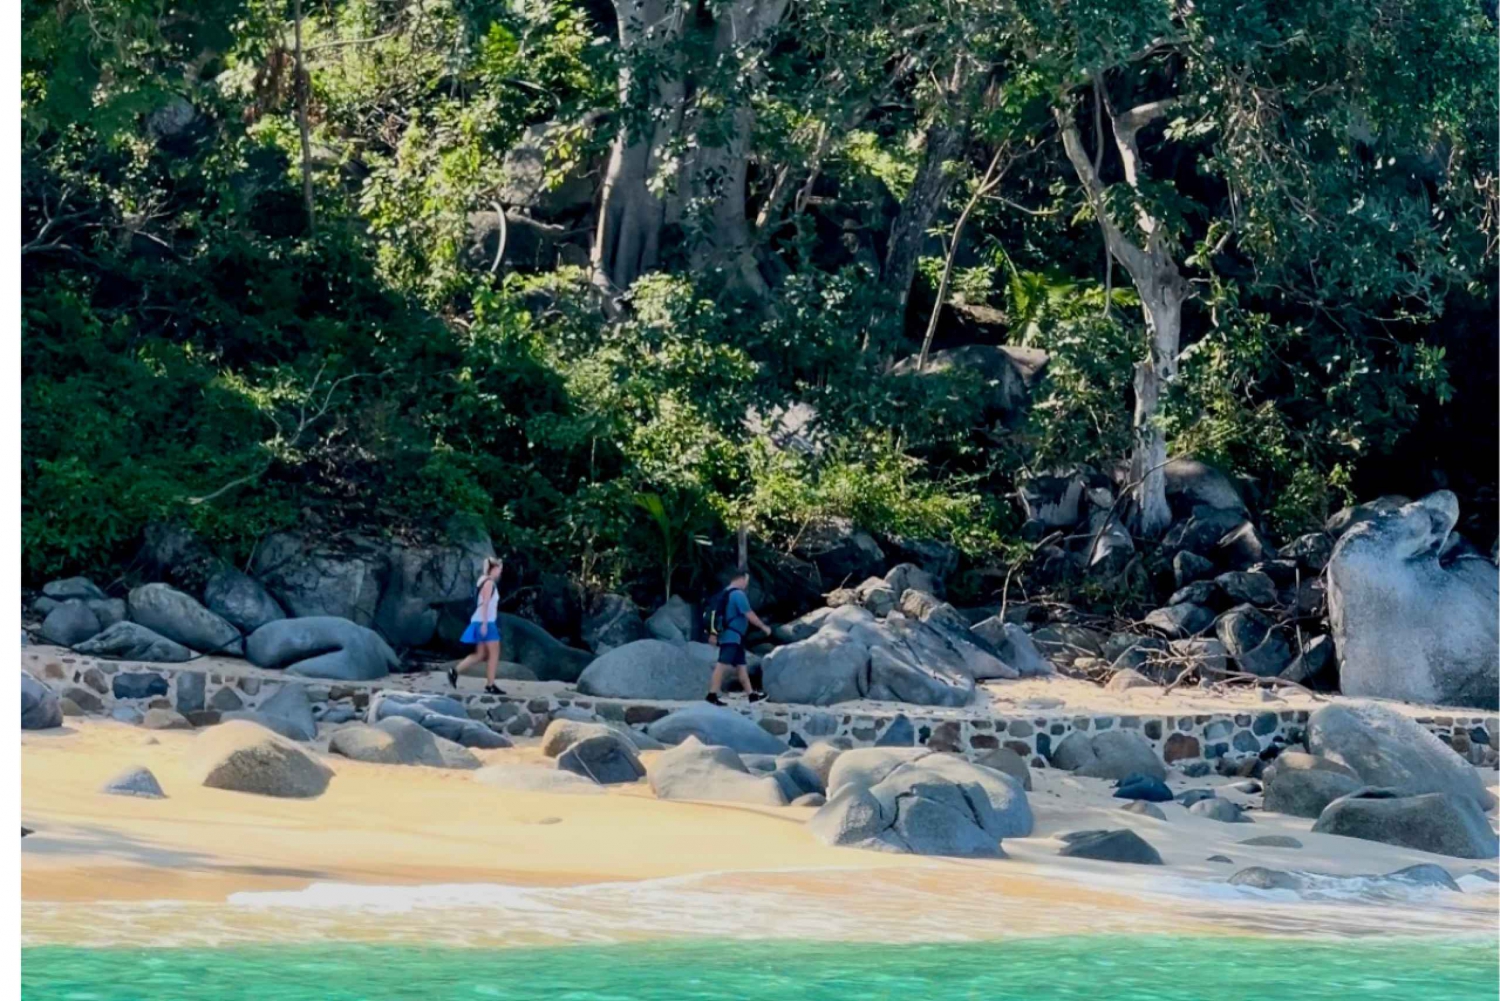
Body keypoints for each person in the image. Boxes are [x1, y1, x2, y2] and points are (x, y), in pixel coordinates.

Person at [704, 569, 770, 705]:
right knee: (721, 665)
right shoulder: (738, 594)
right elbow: (749, 613)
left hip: (734, 637)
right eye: (746, 581)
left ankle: (751, 695)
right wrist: (763, 627)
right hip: (732, 636)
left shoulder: (724, 593)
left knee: (741, 666)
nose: (746, 584)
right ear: (740, 579)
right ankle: (712, 695)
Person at [447, 557, 505, 695]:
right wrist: (485, 624)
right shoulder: (489, 583)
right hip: (486, 622)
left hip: (479, 620)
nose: (500, 572)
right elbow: (485, 604)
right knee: (494, 654)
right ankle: (490, 685)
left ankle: (454, 671)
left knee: (480, 654)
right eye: (499, 569)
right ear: (494, 569)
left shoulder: (482, 580)